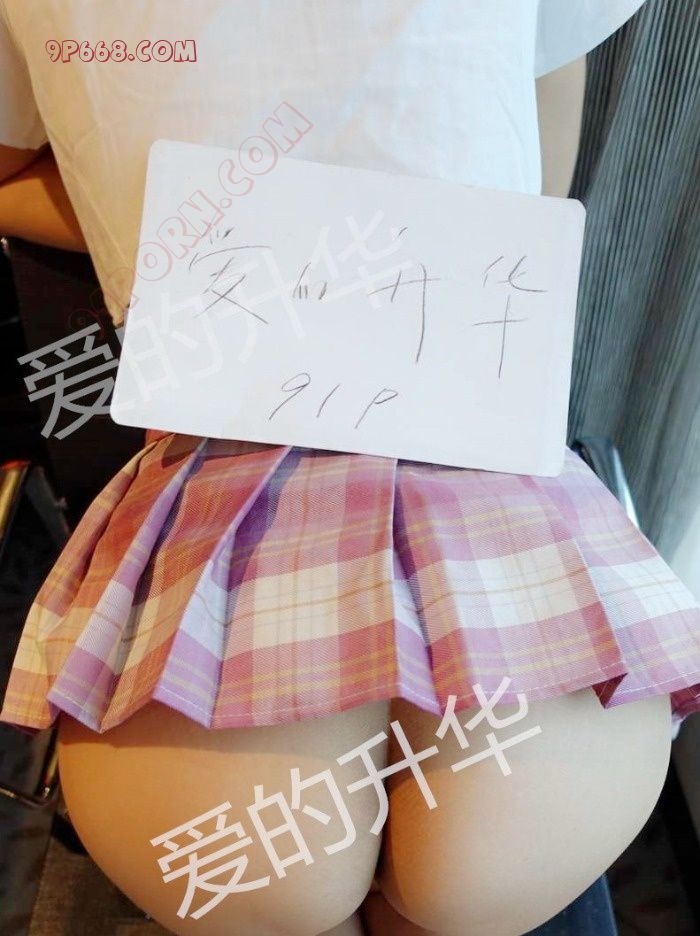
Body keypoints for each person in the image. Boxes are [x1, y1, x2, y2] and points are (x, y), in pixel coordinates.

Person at [1, 3, 698, 935]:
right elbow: (535, 174)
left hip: (221, 497)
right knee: (469, 877)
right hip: (492, 485)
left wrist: (160, 213)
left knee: (280, 892)